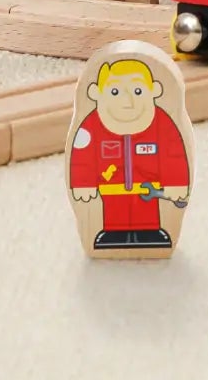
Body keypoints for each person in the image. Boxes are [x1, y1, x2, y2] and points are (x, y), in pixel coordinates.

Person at [70, 53, 191, 249]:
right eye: (115, 92)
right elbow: (82, 156)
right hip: (110, 189)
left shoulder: (163, 124)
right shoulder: (91, 127)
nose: (128, 101)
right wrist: (83, 183)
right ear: (96, 93)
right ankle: (113, 232)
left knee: (147, 214)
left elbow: (174, 153)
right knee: (114, 212)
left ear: (155, 91)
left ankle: (149, 231)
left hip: (148, 189)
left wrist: (176, 182)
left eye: (137, 91)